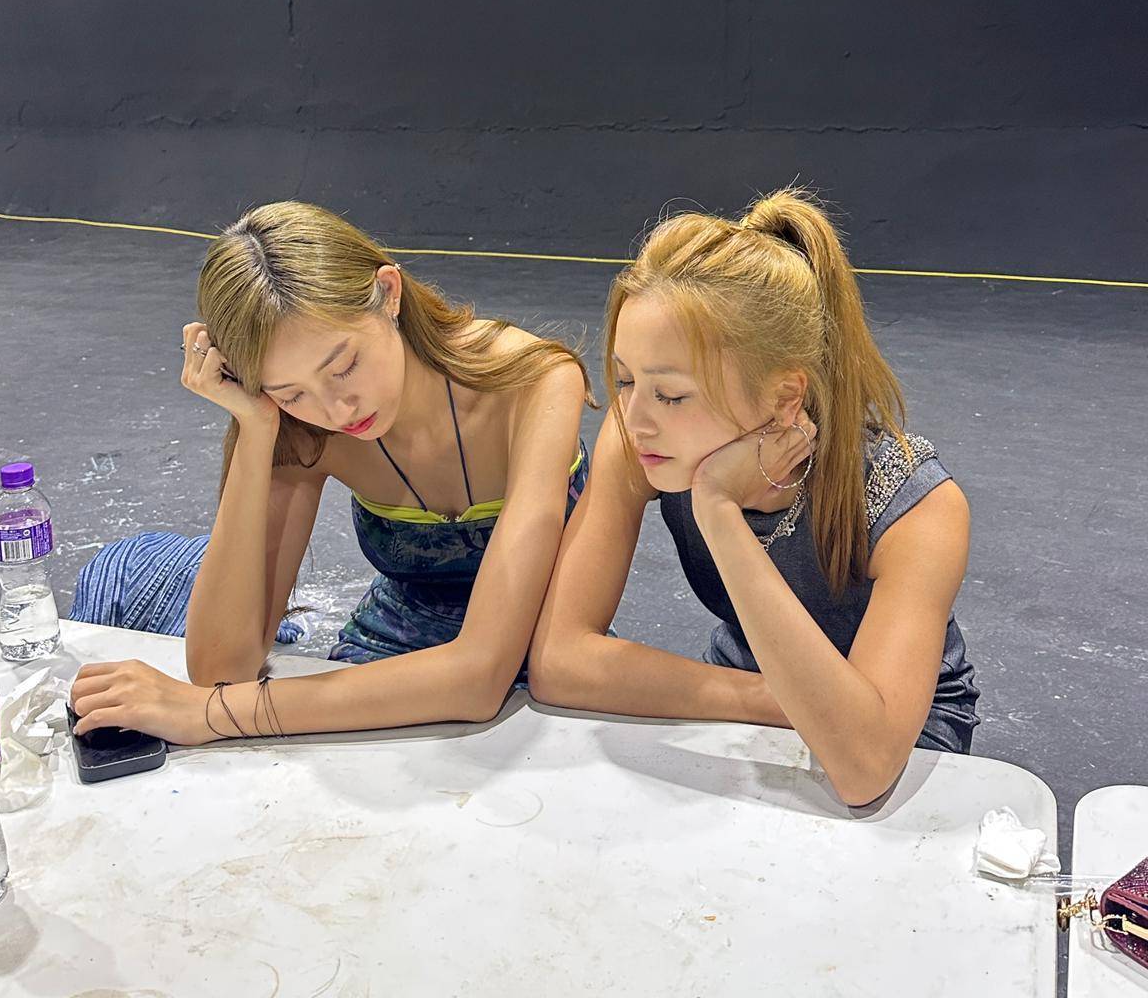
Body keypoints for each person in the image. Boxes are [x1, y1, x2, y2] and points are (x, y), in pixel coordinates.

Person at [69, 201, 590, 744]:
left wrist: (212, 715)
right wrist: (256, 425)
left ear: (389, 293)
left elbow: (479, 679)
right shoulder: (299, 428)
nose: (337, 411)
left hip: (543, 668)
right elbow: (222, 669)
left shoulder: (533, 380)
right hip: (385, 662)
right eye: (291, 392)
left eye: (344, 366)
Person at [529, 188, 979, 807]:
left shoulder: (916, 505)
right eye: (627, 380)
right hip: (750, 688)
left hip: (896, 733)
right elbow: (558, 660)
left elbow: (865, 764)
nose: (635, 418)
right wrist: (772, 699)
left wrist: (717, 509)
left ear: (784, 398)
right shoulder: (644, 441)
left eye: (672, 395)